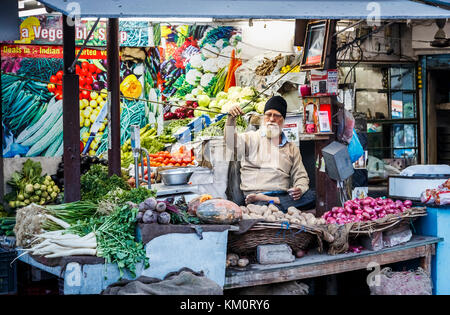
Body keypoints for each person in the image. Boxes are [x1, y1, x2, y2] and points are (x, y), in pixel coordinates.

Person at [224, 95, 315, 213]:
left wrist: (299, 189)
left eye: (277, 116)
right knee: (265, 205)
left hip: (281, 196)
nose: (272, 119)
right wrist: (231, 119)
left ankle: (272, 201)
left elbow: (301, 176)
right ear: (263, 118)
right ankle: (270, 202)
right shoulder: (251, 138)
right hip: (255, 197)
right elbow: (230, 142)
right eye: (268, 115)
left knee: (314, 196)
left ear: (283, 120)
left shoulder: (291, 148)